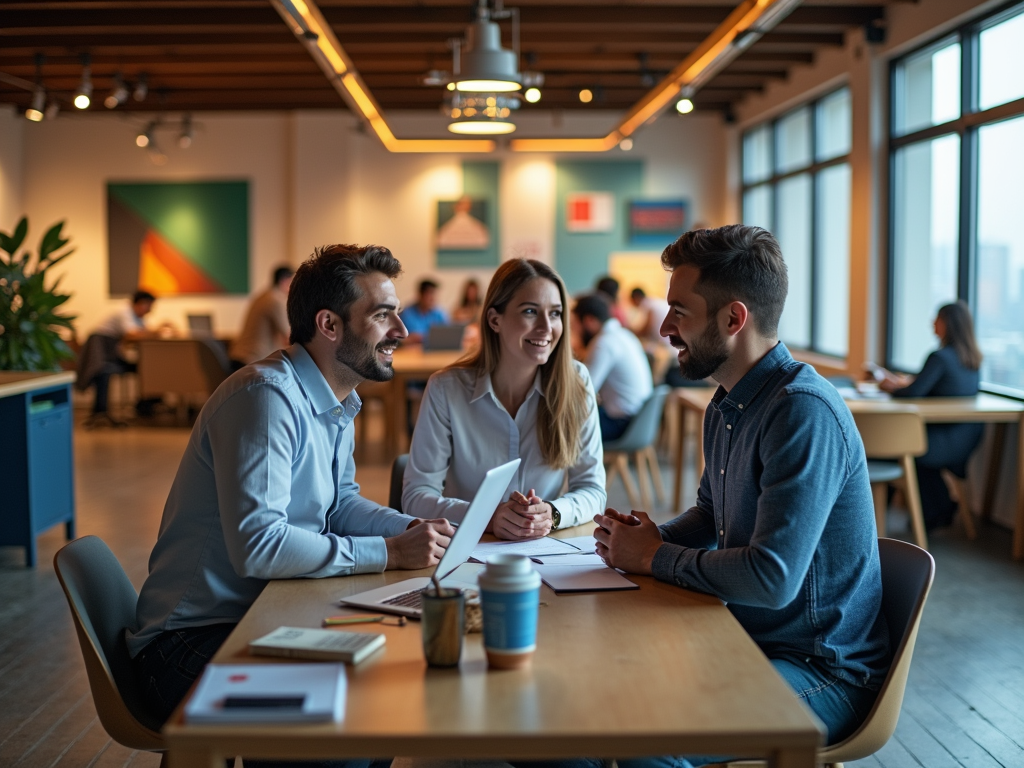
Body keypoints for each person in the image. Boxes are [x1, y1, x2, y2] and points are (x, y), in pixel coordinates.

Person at [592, 225, 889, 767]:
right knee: (602, 697)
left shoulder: (802, 411)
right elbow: (711, 513)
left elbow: (771, 579)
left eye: (679, 312)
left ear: (734, 319)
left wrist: (656, 557)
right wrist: (643, 538)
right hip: (749, 638)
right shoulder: (728, 404)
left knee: (647, 744)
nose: (664, 328)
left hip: (822, 672)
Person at [128, 244, 456, 736]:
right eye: (383, 316)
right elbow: (260, 547)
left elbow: (340, 503)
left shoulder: (335, 398)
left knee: (382, 699)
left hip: (263, 613)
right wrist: (389, 551)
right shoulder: (266, 398)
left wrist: (413, 529)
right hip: (187, 646)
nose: (402, 332)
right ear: (329, 325)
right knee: (357, 723)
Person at [403, 259, 605, 540]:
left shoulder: (575, 380)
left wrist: (553, 512)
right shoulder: (446, 390)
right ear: (495, 320)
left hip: (546, 552)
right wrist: (485, 516)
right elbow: (415, 497)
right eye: (531, 312)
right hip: (467, 554)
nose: (547, 327)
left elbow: (593, 489)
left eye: (556, 313)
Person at [878, 300, 984, 529]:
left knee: (884, 451)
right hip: (966, 438)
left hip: (938, 442)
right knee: (913, 457)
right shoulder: (973, 359)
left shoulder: (940, 357)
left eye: (937, 318)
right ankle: (940, 509)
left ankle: (874, 521)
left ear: (947, 323)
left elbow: (912, 393)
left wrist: (889, 386)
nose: (932, 323)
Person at [573, 292, 653, 441]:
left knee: (561, 427)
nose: (575, 332)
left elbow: (582, 391)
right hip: (639, 420)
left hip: (622, 424)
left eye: (574, 325)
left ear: (589, 320)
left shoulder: (603, 343)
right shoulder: (623, 334)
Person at [76, 290, 157, 427]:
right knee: (104, 371)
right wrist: (157, 332)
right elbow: (132, 334)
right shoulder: (124, 312)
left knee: (149, 368)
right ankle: (101, 412)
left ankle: (145, 405)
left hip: (111, 355)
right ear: (141, 303)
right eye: (149, 306)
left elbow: (140, 332)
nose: (150, 310)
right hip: (102, 355)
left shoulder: (138, 317)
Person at [228, 264, 294, 371]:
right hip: (251, 361)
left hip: (240, 358)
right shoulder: (275, 300)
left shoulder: (263, 296)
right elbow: (290, 336)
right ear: (285, 281)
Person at [399, 278, 448, 345]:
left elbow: (447, 333)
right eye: (430, 294)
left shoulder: (438, 313)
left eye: (435, 294)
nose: (433, 298)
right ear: (420, 295)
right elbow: (410, 337)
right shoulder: (407, 313)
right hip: (413, 351)